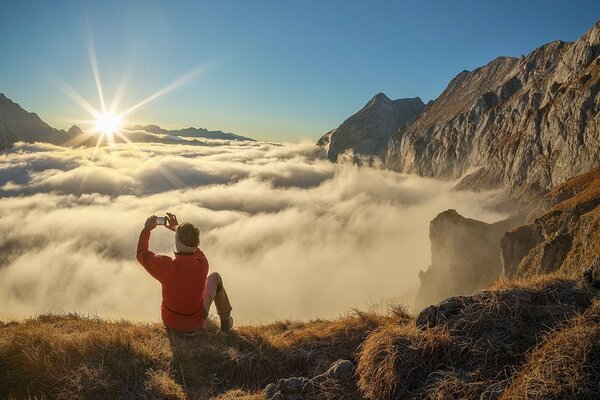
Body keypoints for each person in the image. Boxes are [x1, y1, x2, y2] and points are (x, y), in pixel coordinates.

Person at [136, 212, 233, 333]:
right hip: (195, 324)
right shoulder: (202, 264)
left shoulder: (165, 265)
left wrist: (147, 229)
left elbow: (141, 253)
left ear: (177, 241)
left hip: (170, 322)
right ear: (196, 243)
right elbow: (196, 251)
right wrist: (176, 229)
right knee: (215, 277)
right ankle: (226, 322)